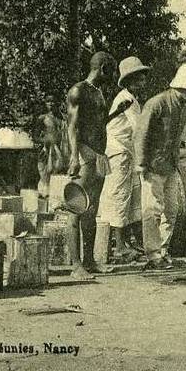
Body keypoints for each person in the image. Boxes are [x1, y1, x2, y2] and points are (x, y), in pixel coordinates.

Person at [134, 62, 186, 270]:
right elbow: (141, 134)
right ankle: (153, 255)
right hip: (152, 165)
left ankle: (164, 250)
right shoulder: (156, 103)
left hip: (170, 165)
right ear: (184, 87)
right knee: (152, 210)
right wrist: (141, 163)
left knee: (172, 210)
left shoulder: (183, 107)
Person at [65, 51, 117, 279]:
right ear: (103, 68)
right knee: (76, 208)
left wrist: (117, 112)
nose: (112, 76)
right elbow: (72, 127)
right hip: (85, 153)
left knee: (91, 210)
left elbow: (97, 123)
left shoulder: (98, 93)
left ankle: (89, 261)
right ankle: (76, 265)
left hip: (99, 155)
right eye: (111, 71)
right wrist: (75, 157)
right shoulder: (79, 90)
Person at [98, 56, 151, 263]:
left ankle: (127, 241)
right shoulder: (125, 99)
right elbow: (140, 129)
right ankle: (119, 246)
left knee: (130, 196)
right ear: (130, 81)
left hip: (125, 152)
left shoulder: (131, 99)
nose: (143, 83)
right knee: (119, 195)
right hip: (119, 153)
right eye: (139, 79)